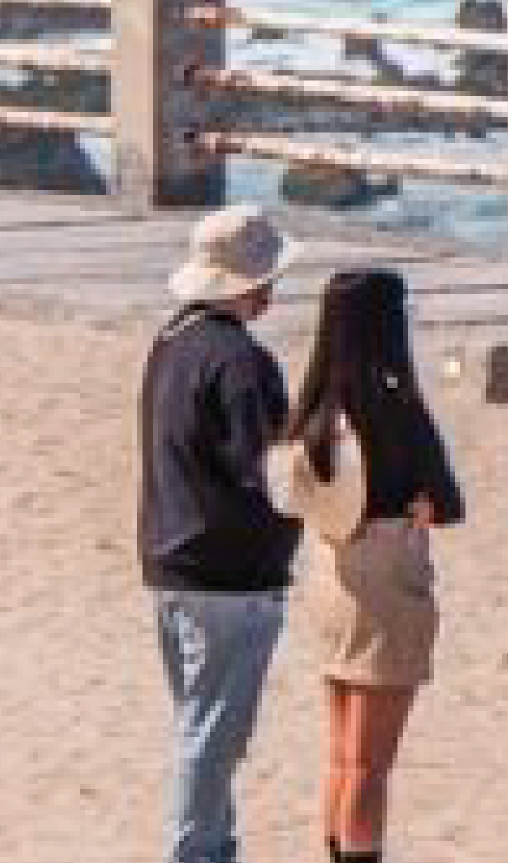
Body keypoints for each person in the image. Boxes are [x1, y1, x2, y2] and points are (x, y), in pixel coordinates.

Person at [273, 268, 468, 863]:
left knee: (343, 756)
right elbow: (450, 502)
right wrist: (421, 504)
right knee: (370, 765)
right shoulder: (395, 406)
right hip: (388, 578)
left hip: (332, 572)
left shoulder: (314, 411)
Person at [139, 205, 300, 863]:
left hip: (169, 556)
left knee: (201, 721)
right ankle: (198, 852)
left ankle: (213, 845)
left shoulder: (171, 342)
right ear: (249, 284)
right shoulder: (242, 361)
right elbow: (267, 471)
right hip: (228, 568)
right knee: (214, 729)